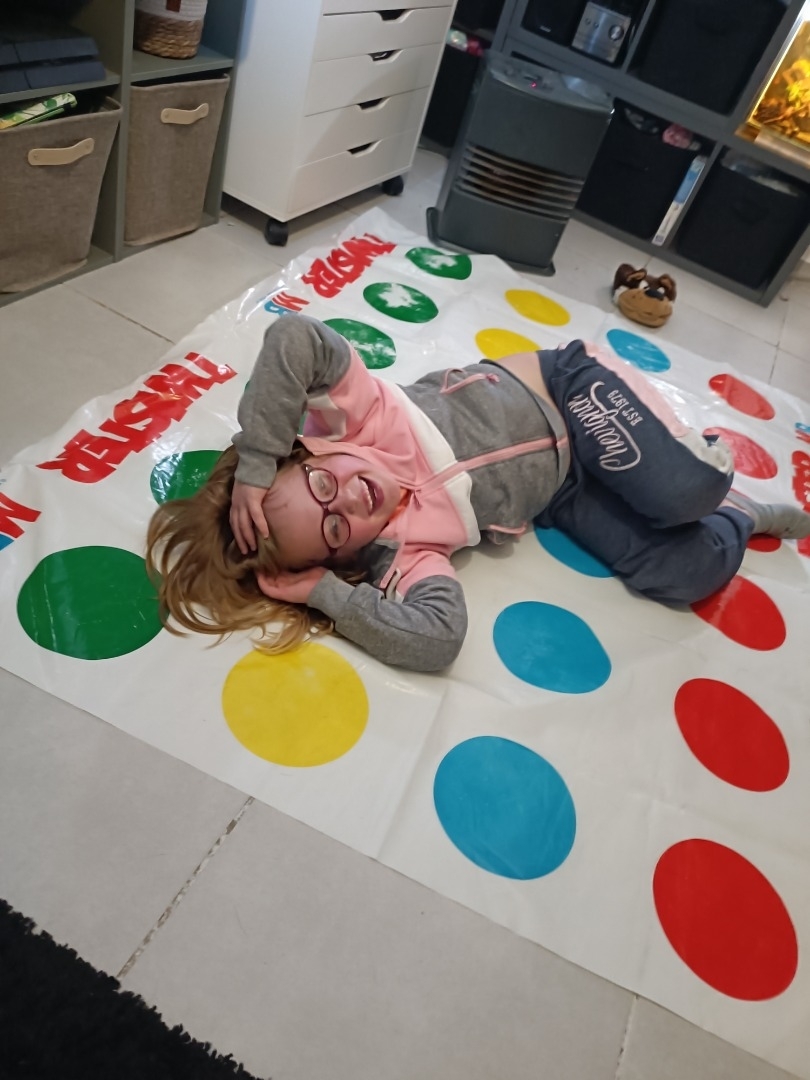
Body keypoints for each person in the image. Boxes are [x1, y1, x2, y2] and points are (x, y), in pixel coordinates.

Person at [146, 313, 810, 671]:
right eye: (335, 529)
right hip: (561, 488)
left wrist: (257, 460)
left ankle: (699, 467)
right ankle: (743, 514)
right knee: (685, 571)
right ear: (343, 556)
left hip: (564, 392)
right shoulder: (400, 554)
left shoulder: (357, 418)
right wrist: (325, 594)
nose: (347, 500)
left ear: (307, 451)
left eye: (322, 483)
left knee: (683, 492)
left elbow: (294, 336)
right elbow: (438, 640)